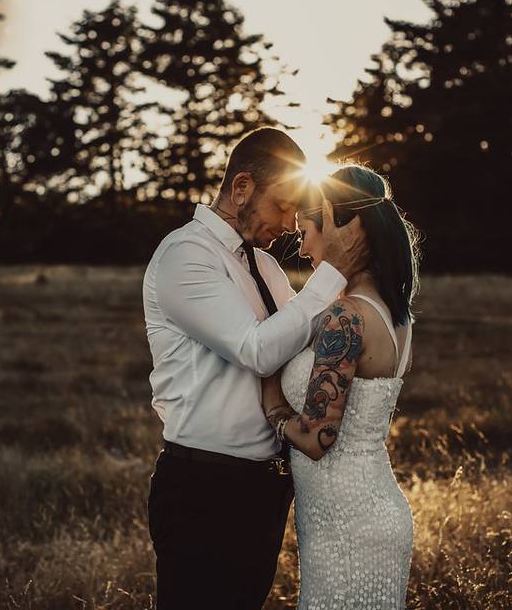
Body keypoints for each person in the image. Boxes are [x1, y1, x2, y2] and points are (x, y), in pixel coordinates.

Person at [142, 127, 369, 609]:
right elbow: (258, 350)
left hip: (263, 490)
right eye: (282, 205)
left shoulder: (265, 267)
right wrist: (335, 271)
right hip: (204, 487)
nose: (290, 222)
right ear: (241, 188)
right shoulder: (186, 256)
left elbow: (302, 340)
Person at [261, 164, 421, 609]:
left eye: (306, 231)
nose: (304, 246)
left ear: (334, 222)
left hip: (349, 524)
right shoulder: (395, 312)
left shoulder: (346, 316)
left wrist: (272, 400)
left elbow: (317, 439)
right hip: (363, 511)